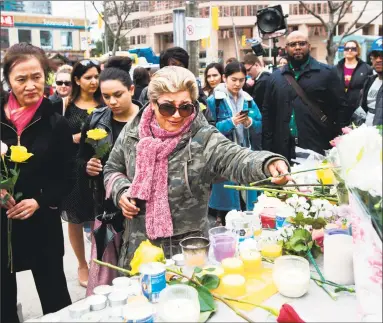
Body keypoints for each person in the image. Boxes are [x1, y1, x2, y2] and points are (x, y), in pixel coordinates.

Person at [103, 66, 290, 269]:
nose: (176, 115)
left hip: (189, 251)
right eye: (167, 108)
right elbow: (112, 168)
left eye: (185, 108)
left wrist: (267, 163)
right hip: (139, 248)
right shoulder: (133, 133)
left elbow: (236, 158)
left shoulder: (203, 137)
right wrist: (121, 191)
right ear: (153, 103)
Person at [1, 43, 72, 323]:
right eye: (21, 79)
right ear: (8, 80)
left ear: (46, 77)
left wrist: (39, 201)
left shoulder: (56, 124)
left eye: (37, 77)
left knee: (56, 299)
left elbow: (67, 177)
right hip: (3, 222)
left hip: (41, 222)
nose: (31, 86)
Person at [78, 57, 141, 293]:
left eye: (118, 94)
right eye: (106, 96)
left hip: (140, 205)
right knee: (109, 270)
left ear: (132, 90)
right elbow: (81, 156)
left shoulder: (148, 119)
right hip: (107, 206)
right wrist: (87, 166)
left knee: (140, 265)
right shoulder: (96, 120)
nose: (112, 101)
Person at [262, 31, 348, 162]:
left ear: (309, 46)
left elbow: (342, 108)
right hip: (282, 151)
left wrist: (338, 139)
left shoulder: (327, 73)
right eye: (293, 44)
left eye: (301, 43)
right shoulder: (275, 77)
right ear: (286, 49)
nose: (297, 47)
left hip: (317, 148)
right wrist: (267, 151)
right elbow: (268, 114)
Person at [60, 59, 102, 288]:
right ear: (77, 80)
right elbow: (57, 138)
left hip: (100, 165)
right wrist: (76, 138)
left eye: (96, 76)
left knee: (100, 216)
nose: (93, 81)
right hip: (74, 169)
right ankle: (81, 264)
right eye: (88, 77)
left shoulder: (105, 100)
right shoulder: (66, 104)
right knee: (75, 218)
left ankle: (100, 260)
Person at [206, 62, 262, 225]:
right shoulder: (213, 101)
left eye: (241, 80)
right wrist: (231, 122)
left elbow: (259, 125)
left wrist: (249, 122)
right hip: (224, 158)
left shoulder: (249, 100)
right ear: (224, 78)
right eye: (233, 80)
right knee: (229, 208)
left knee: (247, 205)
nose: (237, 84)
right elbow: (208, 130)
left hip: (246, 154)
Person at [139, 47, 207, 106]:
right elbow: (141, 117)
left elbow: (207, 117)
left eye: (180, 65)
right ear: (164, 67)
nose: (177, 69)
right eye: (173, 65)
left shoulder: (193, 88)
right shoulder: (149, 90)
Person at [336, 40, 372, 123]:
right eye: (347, 48)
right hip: (339, 111)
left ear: (358, 51)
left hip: (358, 111)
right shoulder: (336, 68)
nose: (349, 50)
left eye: (353, 48)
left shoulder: (366, 68)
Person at [352, 37, 382, 126]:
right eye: (375, 56)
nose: (378, 60)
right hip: (366, 134)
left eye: (382, 56)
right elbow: (363, 110)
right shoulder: (369, 81)